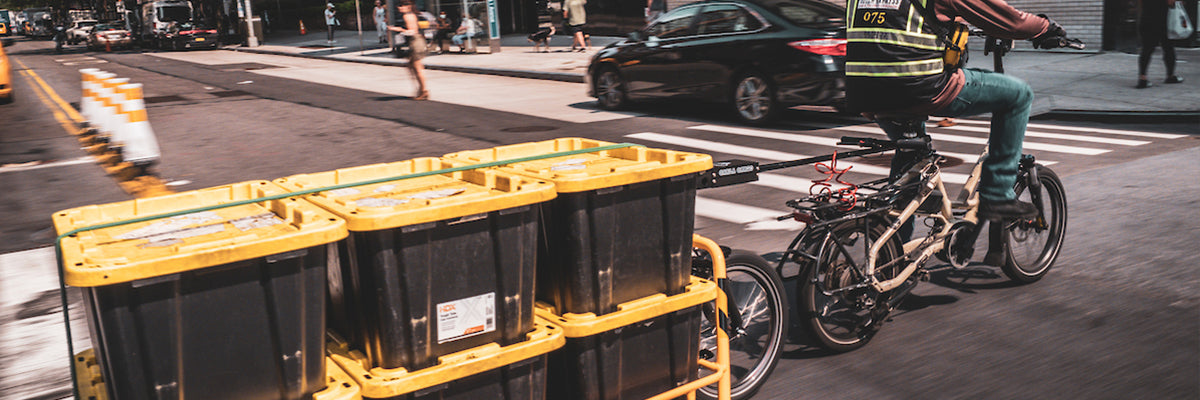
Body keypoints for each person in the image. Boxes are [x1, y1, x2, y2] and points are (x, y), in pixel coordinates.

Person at [845, 0, 1073, 220]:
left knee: (910, 174)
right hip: (918, 87)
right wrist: (1046, 28)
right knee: (1018, 95)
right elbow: (1010, 20)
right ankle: (998, 195)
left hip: (863, 91)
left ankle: (895, 240)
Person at [1136, 0, 1184, 88]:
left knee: (1147, 48)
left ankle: (1142, 77)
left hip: (1146, 19)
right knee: (1168, 47)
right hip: (1164, 21)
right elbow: (1171, 2)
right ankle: (1170, 76)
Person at [389, 0, 429, 100]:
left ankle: (423, 91)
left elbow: (412, 31)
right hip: (417, 42)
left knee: (417, 68)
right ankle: (420, 90)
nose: (399, 7)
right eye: (399, 6)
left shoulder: (407, 16)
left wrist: (400, 30)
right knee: (412, 66)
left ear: (408, 6)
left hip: (416, 42)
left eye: (401, 5)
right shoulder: (411, 15)